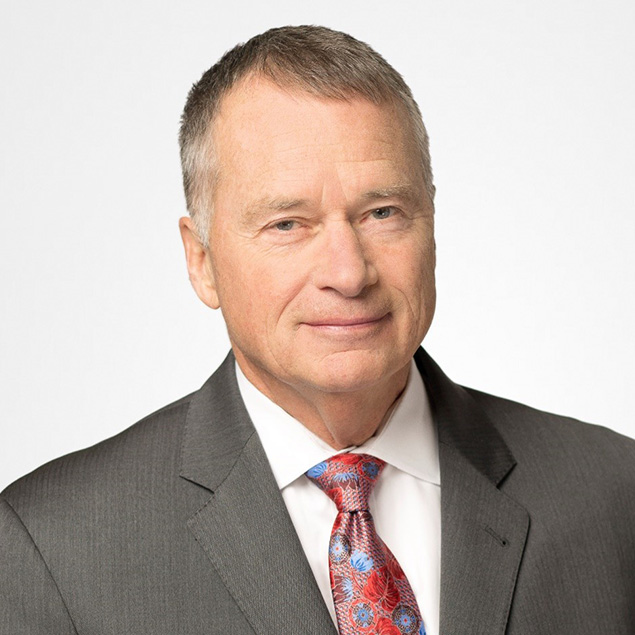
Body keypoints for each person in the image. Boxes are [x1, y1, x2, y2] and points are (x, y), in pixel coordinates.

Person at [1, 25, 634, 635]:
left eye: (383, 212)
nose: (348, 272)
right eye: (288, 224)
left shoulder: (615, 495)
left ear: (433, 226)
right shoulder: (51, 547)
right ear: (202, 262)